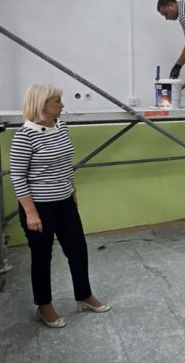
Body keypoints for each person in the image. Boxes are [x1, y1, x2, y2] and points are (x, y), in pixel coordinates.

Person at [9, 83, 110, 328]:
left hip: (64, 201)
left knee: (78, 250)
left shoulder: (61, 127)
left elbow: (65, 162)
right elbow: (18, 176)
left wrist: (72, 188)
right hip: (39, 207)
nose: (62, 105)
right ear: (42, 104)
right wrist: (31, 212)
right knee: (42, 257)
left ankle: (84, 295)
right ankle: (44, 306)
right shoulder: (24, 136)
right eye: (57, 101)